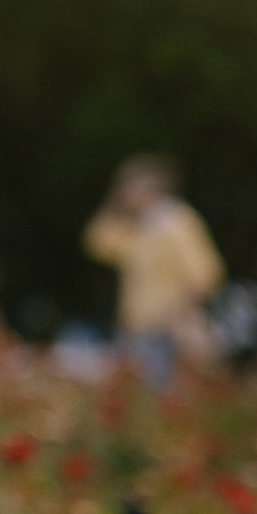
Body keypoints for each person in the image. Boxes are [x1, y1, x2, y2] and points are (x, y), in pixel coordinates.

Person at [81, 155, 223, 386]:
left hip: (166, 327)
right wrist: (114, 203)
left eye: (127, 186)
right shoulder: (140, 227)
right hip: (137, 327)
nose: (124, 193)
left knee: (162, 391)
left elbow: (205, 274)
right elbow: (98, 242)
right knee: (139, 392)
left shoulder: (178, 222)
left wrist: (180, 313)